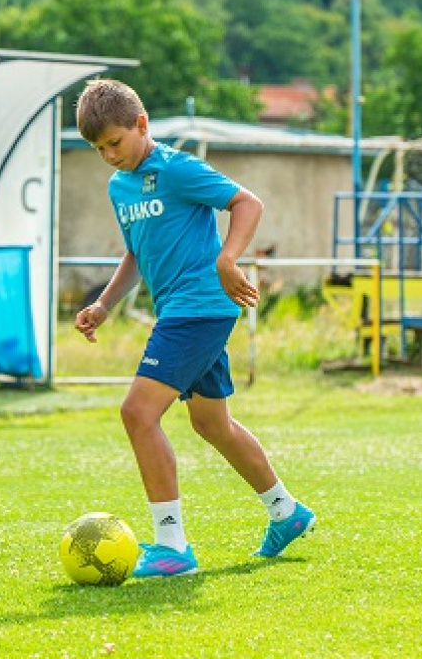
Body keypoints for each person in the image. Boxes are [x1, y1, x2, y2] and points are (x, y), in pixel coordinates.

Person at [74, 79, 315, 577]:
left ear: (142, 125)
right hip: (181, 311)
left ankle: (172, 547)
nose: (109, 156)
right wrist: (103, 305)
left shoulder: (177, 169)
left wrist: (229, 258)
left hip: (200, 307)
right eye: (99, 149)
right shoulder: (120, 187)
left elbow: (247, 203)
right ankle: (285, 511)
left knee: (138, 413)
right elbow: (137, 252)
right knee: (211, 423)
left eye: (114, 143)